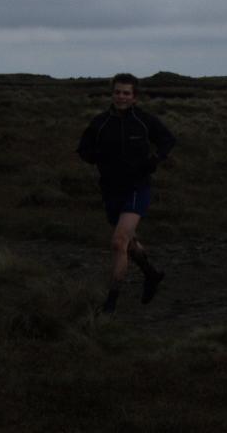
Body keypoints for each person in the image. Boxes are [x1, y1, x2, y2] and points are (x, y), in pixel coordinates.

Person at [77, 73, 176, 314]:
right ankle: (151, 275)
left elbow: (168, 140)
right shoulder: (100, 123)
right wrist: (96, 157)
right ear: (112, 94)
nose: (121, 97)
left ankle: (110, 304)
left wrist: (155, 159)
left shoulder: (143, 121)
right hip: (111, 189)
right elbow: (83, 150)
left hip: (137, 187)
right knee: (129, 242)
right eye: (117, 92)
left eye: (126, 93)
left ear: (134, 97)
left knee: (118, 242)